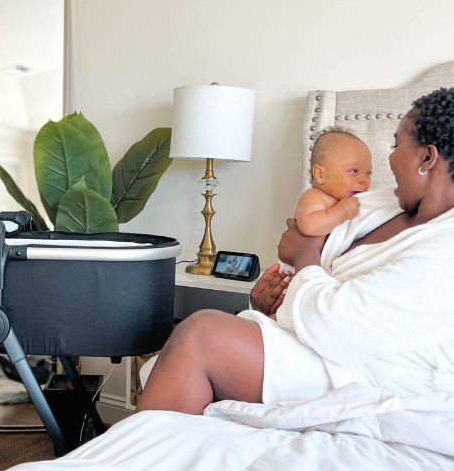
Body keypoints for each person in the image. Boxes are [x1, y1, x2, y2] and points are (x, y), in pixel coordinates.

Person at [138, 87, 454, 414]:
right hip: (307, 340)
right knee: (187, 343)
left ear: (427, 158)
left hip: (366, 373)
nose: (387, 159)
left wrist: (304, 255)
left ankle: (134, 461)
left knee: (198, 335)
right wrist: (264, 304)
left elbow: (337, 325)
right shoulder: (382, 203)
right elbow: (298, 264)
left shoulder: (447, 250)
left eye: (396, 145)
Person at [294, 129, 372, 237]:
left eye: (368, 173)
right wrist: (342, 211)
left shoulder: (353, 201)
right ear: (320, 175)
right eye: (353, 171)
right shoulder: (314, 197)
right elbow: (309, 226)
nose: (364, 180)